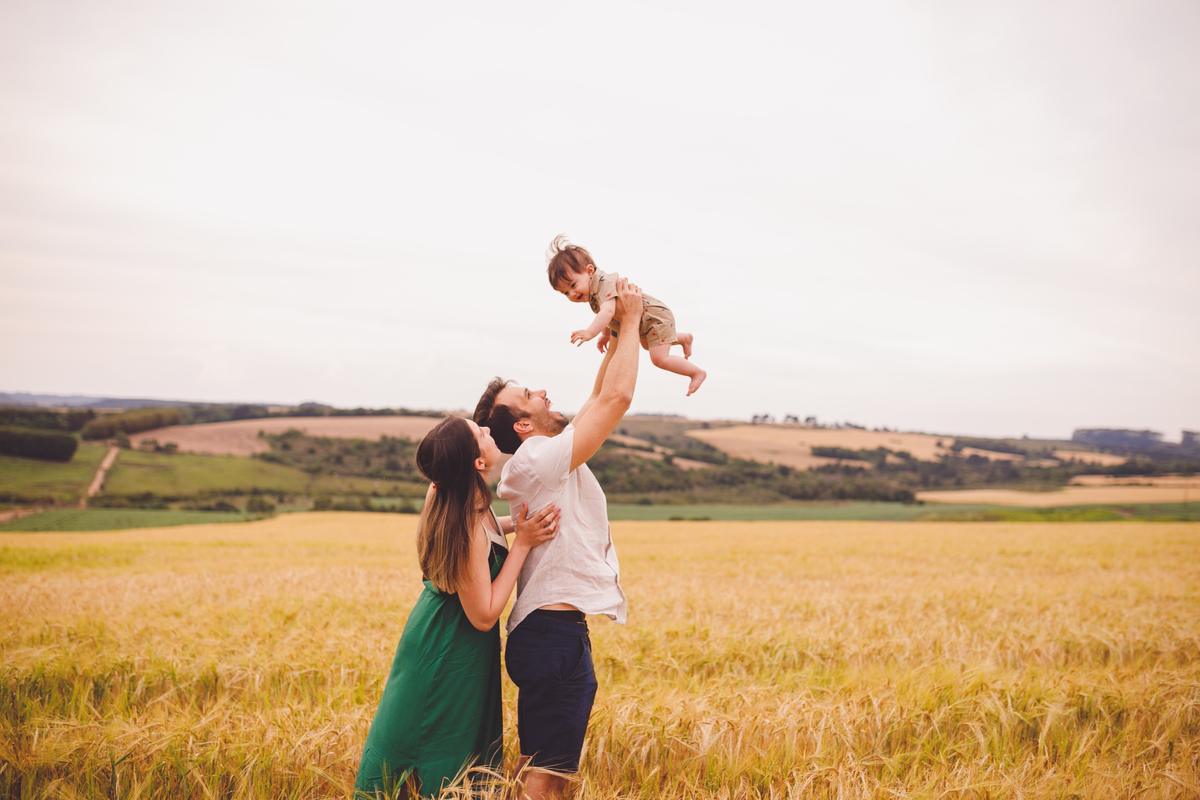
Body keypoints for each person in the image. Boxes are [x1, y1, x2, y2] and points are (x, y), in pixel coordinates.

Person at [472, 276, 644, 800]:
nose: (543, 391)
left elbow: (597, 395)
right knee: (549, 784)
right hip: (552, 636)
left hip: (549, 634)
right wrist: (634, 319)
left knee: (541, 775)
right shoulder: (540, 459)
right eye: (529, 395)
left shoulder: (537, 460)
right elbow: (616, 398)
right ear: (523, 426)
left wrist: (614, 337)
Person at [354, 416, 561, 799]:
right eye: (479, 433)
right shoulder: (463, 523)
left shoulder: (453, 494)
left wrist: (513, 525)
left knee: (439, 740)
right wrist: (524, 544)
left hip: (438, 635)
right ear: (478, 464)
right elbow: (484, 615)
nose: (488, 431)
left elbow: (483, 530)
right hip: (450, 648)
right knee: (438, 745)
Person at [547, 234, 706, 396]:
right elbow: (610, 315)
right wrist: (606, 335)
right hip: (647, 321)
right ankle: (684, 338)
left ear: (589, 271)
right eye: (565, 293)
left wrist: (590, 332)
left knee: (659, 359)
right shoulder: (594, 293)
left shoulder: (603, 283)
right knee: (646, 345)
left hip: (654, 317)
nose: (572, 294)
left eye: (573, 285)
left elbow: (607, 311)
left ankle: (696, 373)